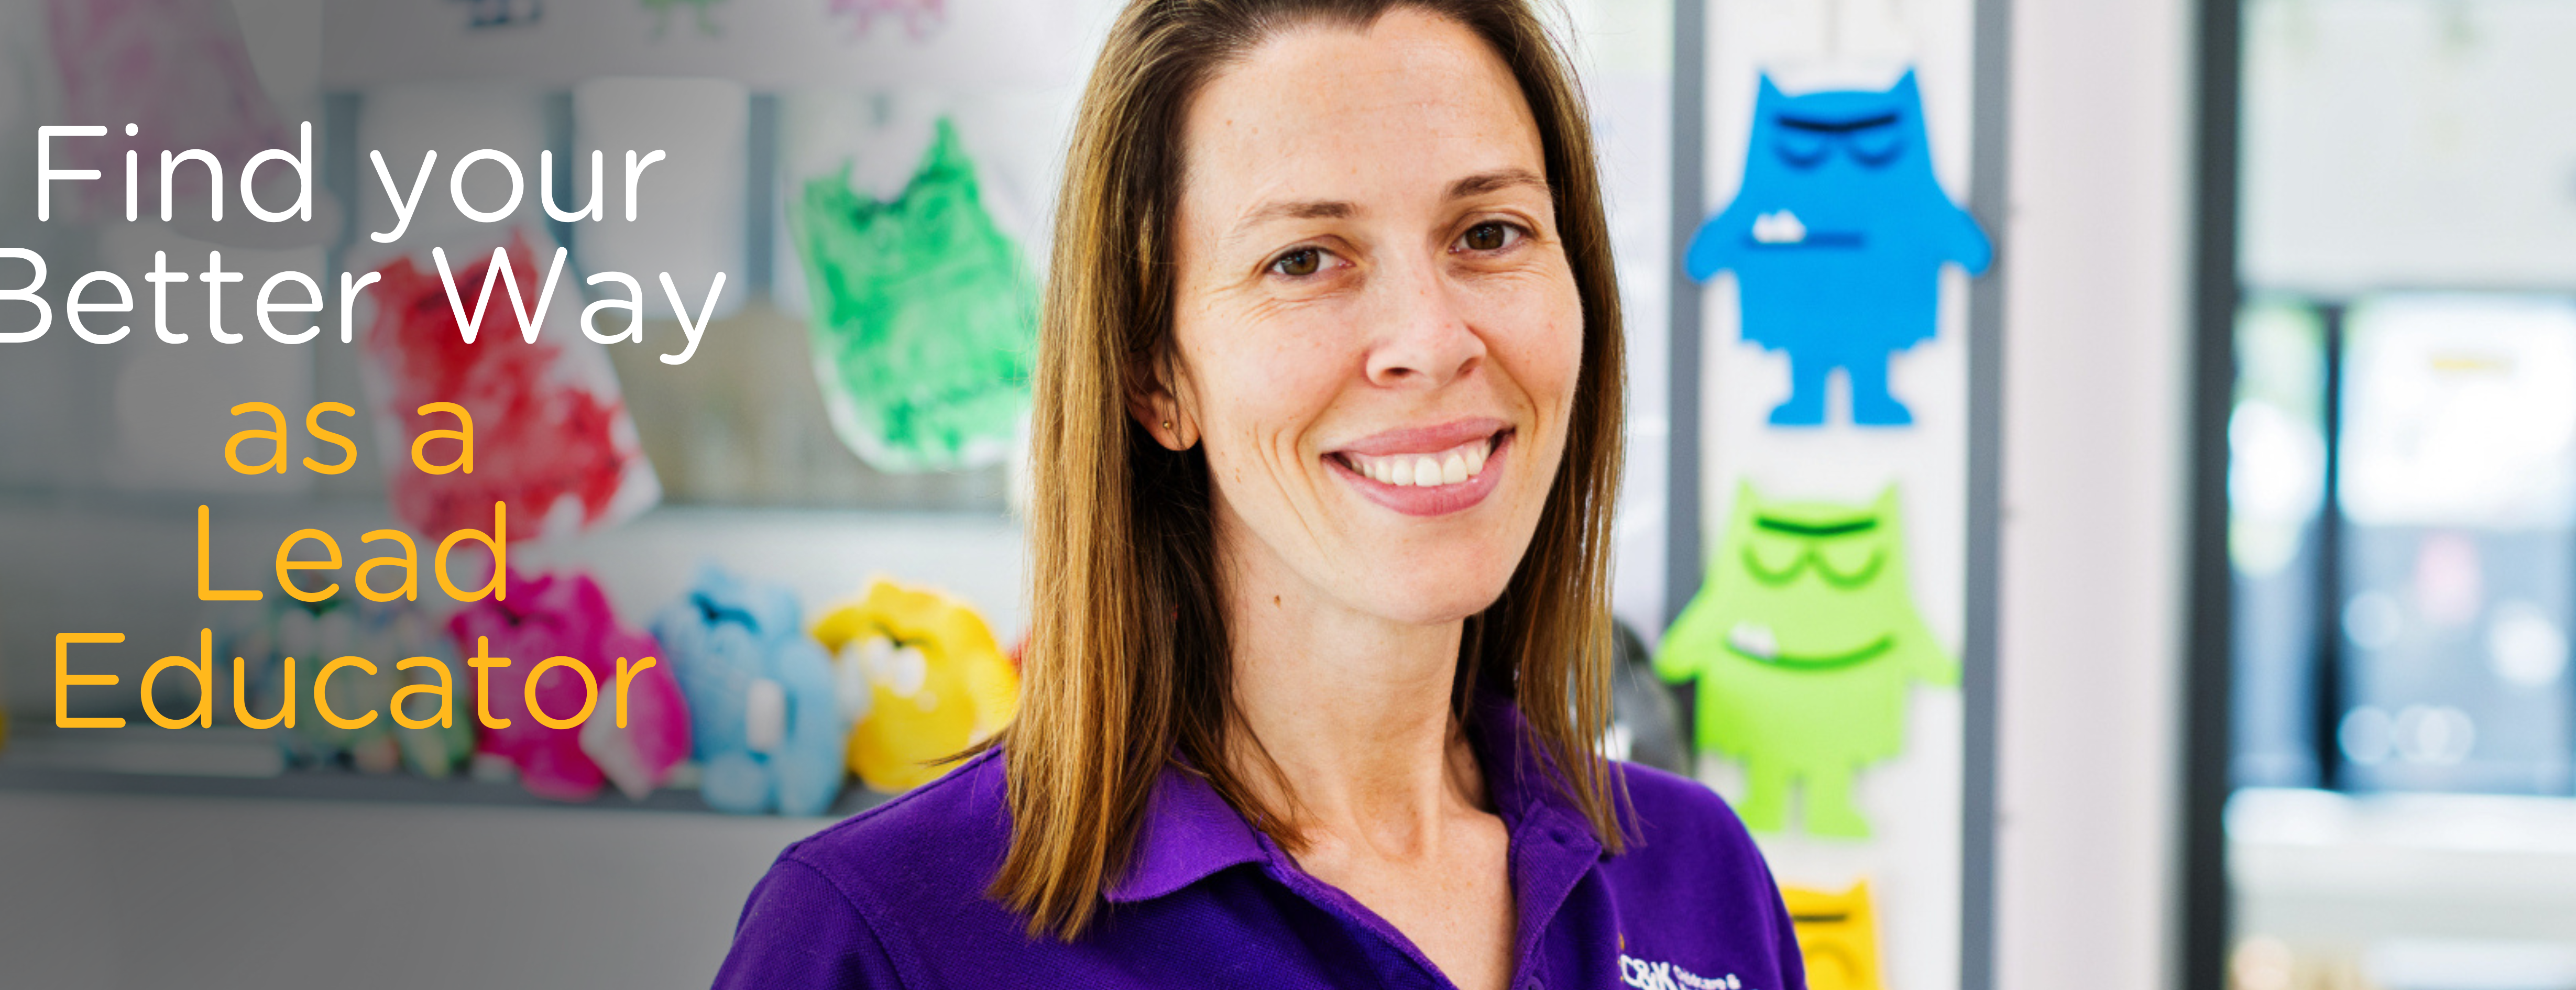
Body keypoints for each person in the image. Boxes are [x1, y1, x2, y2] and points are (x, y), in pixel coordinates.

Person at [715, 2, 1805, 987]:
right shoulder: (886, 935)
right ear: (1154, 374)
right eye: (1304, 259)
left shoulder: (1697, 878)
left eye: (1488, 234)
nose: (1429, 341)